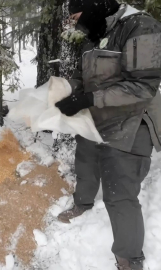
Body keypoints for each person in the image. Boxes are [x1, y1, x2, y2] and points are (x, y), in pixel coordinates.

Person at [55, 0, 161, 269]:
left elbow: (142, 88)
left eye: (78, 16)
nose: (77, 24)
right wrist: (67, 91)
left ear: (94, 7)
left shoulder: (140, 26)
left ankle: (129, 256)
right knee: (86, 162)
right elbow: (84, 76)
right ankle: (83, 203)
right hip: (97, 117)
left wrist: (89, 98)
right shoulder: (96, 34)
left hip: (132, 122)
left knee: (120, 192)